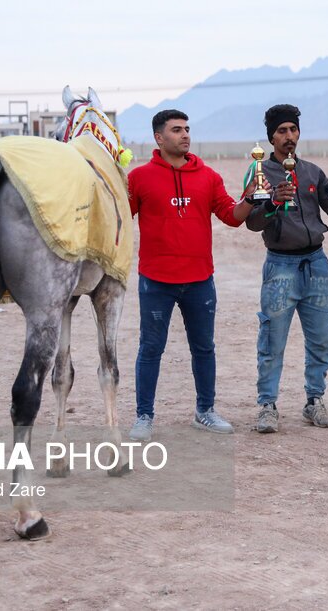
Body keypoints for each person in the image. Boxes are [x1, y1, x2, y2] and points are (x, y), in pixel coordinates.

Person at [245, 104, 328, 433]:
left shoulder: (312, 173)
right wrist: (273, 203)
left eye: (293, 129)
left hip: (316, 265)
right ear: (271, 137)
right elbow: (251, 223)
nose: (288, 136)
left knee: (321, 338)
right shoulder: (259, 174)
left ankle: (314, 400)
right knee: (272, 339)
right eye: (281, 131)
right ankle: (267, 405)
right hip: (280, 267)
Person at [127, 109, 258, 440]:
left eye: (187, 129)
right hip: (156, 280)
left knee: (204, 347)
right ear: (159, 138)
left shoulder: (208, 176)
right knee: (150, 348)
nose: (185, 134)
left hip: (200, 280)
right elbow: (118, 217)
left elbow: (232, 216)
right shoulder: (139, 178)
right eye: (176, 130)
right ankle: (144, 416)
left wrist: (252, 198)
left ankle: (205, 411)